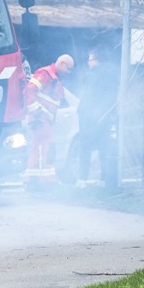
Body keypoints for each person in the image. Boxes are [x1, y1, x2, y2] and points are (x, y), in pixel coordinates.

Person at [70, 49, 120, 187]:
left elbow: (88, 96)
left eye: (90, 59)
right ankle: (104, 179)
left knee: (84, 146)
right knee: (104, 147)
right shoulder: (113, 75)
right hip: (105, 115)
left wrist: (85, 111)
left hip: (89, 116)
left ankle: (82, 179)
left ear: (97, 60)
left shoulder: (92, 75)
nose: (88, 62)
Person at [23, 53, 74, 182]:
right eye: (68, 68)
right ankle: (47, 180)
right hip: (40, 118)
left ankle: (33, 179)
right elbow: (29, 90)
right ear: (61, 64)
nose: (69, 72)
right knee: (45, 147)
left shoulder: (54, 78)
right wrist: (38, 112)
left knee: (39, 146)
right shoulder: (45, 74)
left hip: (44, 119)